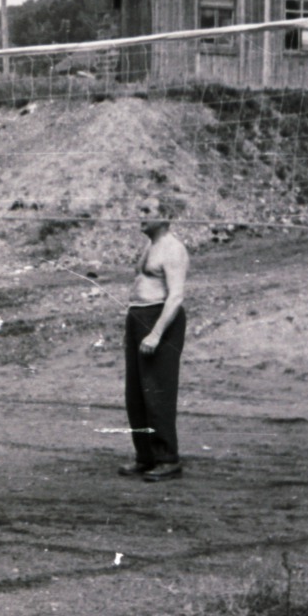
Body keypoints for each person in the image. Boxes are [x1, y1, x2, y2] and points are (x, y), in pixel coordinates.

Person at [119, 194, 189, 482]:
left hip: (159, 319)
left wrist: (157, 332)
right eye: (141, 209)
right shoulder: (150, 246)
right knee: (135, 395)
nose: (141, 214)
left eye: (147, 210)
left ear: (165, 216)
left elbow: (176, 296)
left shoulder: (173, 249)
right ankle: (145, 456)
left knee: (157, 392)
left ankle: (166, 459)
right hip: (138, 318)